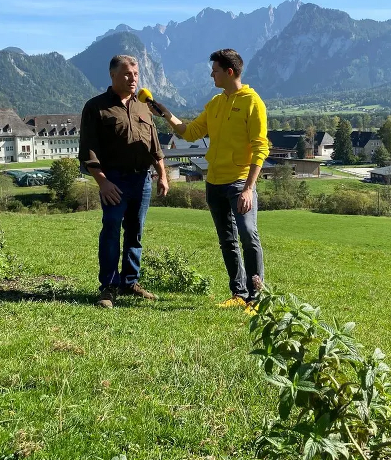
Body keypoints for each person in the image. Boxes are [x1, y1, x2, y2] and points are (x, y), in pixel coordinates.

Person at [148, 49, 268, 308]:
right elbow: (189, 132)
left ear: (229, 72)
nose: (211, 75)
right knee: (227, 240)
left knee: (248, 234)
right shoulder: (215, 104)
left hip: (239, 183)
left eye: (215, 71)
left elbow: (260, 147)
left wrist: (249, 188)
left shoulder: (252, 102)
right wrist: (166, 114)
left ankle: (256, 298)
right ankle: (238, 295)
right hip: (214, 182)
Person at [79, 54, 170, 309]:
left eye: (136, 74)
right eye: (127, 74)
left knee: (135, 232)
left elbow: (154, 145)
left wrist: (162, 174)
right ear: (113, 76)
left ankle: (129, 282)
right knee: (110, 231)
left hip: (142, 180)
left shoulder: (143, 106)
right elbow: (88, 151)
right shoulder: (96, 107)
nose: (133, 79)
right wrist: (103, 182)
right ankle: (108, 287)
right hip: (114, 180)